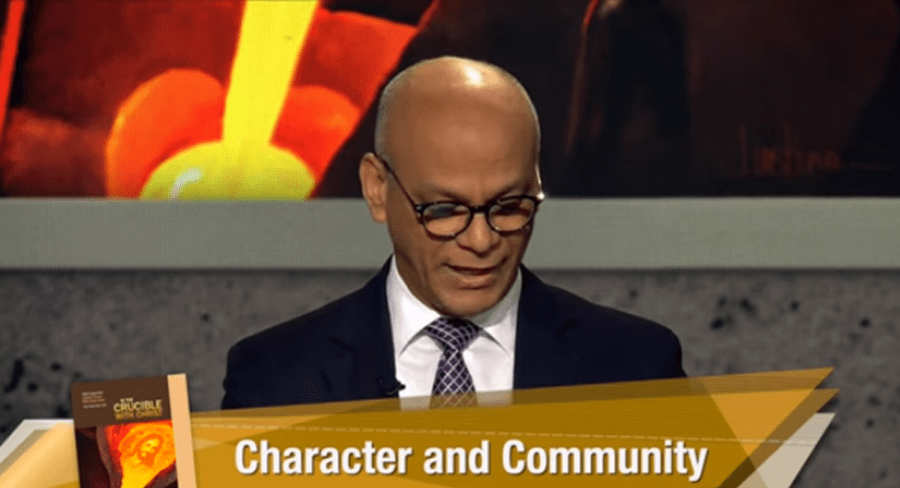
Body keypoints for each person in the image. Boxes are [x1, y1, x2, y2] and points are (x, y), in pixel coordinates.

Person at [222, 56, 685, 410]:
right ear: (377, 189)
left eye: (510, 206)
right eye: (444, 210)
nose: (482, 242)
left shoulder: (637, 370)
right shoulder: (273, 380)